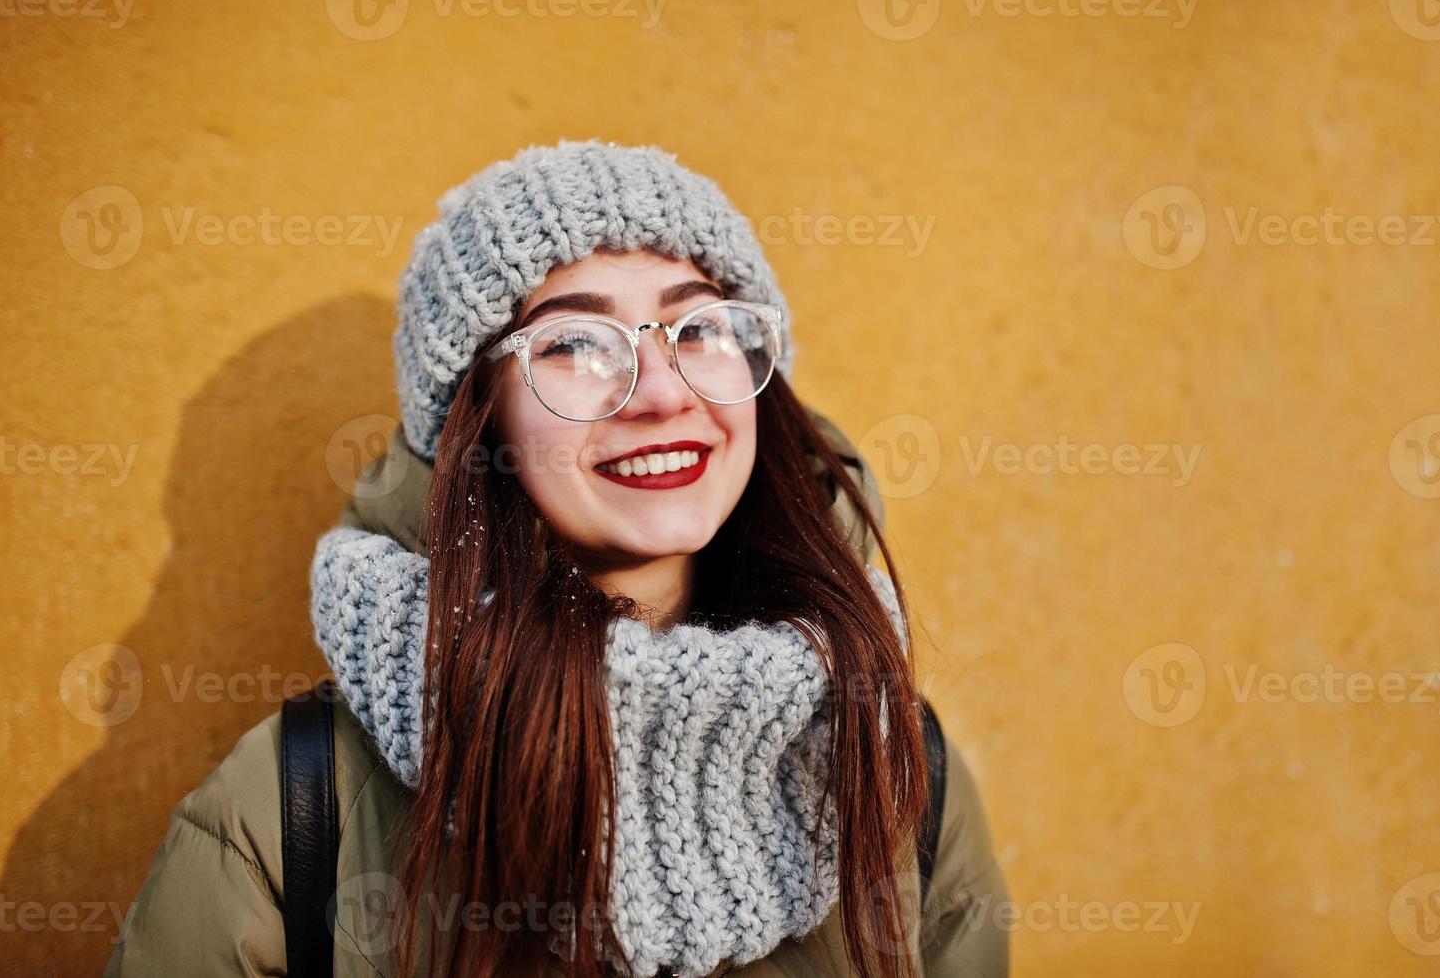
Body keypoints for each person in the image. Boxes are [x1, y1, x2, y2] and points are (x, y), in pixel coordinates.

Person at [106, 139, 1010, 978]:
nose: (661, 393)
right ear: (477, 416)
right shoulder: (296, 804)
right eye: (575, 343)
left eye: (698, 328)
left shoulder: (893, 764)